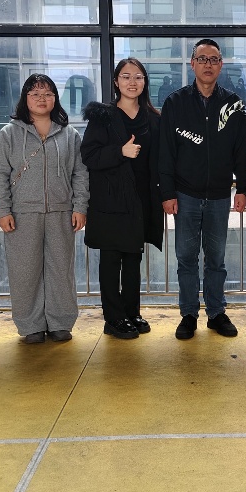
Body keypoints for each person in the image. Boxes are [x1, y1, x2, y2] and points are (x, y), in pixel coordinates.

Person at [159, 39, 246, 340]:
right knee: (186, 258)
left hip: (220, 195)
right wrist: (167, 193)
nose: (208, 64)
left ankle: (216, 312)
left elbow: (241, 150)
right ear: (192, 64)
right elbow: (166, 152)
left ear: (221, 65)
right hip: (185, 195)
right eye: (202, 59)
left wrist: (242, 188)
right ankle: (188, 314)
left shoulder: (234, 104)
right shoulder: (175, 102)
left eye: (214, 59)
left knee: (216, 259)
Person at [0, 74, 89, 344]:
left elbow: (80, 174)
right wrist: (3, 211)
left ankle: (61, 322)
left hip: (61, 212)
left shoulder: (70, 135)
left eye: (47, 94)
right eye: (35, 94)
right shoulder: (9, 134)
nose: (41, 99)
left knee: (61, 270)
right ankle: (29, 325)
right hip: (21, 213)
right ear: (25, 99)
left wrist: (80, 206)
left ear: (55, 98)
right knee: (24, 271)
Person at [81, 58, 163, 340]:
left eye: (138, 77)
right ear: (116, 82)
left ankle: (131, 312)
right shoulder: (103, 116)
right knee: (111, 260)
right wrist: (120, 152)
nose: (132, 82)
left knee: (132, 258)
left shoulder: (153, 118)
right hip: (110, 200)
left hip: (140, 199)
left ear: (145, 82)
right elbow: (88, 156)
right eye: (126, 76)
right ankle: (113, 318)